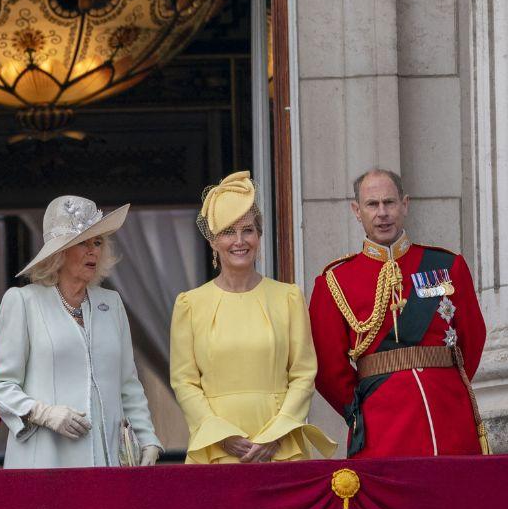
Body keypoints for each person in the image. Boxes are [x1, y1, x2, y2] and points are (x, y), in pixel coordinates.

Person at [309, 168, 488, 458]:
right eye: (372, 204)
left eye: (389, 203)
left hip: (449, 416)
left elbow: (473, 338)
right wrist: (360, 411)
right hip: (382, 426)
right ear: (357, 210)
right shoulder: (334, 281)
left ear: (405, 204)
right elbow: (327, 368)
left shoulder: (446, 265)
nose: (382, 213)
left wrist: (448, 387)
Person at [170, 172, 336, 464]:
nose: (239, 241)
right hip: (216, 450)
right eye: (227, 231)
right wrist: (221, 434)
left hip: (281, 448)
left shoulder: (288, 298)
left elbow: (303, 374)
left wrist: (277, 433)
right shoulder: (190, 304)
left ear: (259, 236)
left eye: (248, 230)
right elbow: (184, 381)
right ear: (213, 242)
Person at [0, 196, 163, 468]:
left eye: (97, 242)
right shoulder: (23, 301)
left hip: (107, 460)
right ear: (59, 252)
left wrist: (148, 438)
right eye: (83, 242)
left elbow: (128, 384)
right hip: (46, 458)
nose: (93, 250)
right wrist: (43, 413)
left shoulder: (111, 303)